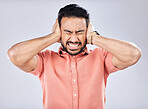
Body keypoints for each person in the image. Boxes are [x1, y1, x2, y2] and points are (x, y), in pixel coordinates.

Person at [7, 4, 141, 109]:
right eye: (67, 32)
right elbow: (15, 55)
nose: (74, 38)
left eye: (80, 32)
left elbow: (133, 55)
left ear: (87, 31)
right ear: (60, 31)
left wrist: (94, 37)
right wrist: (53, 37)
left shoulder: (101, 57)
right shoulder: (45, 60)